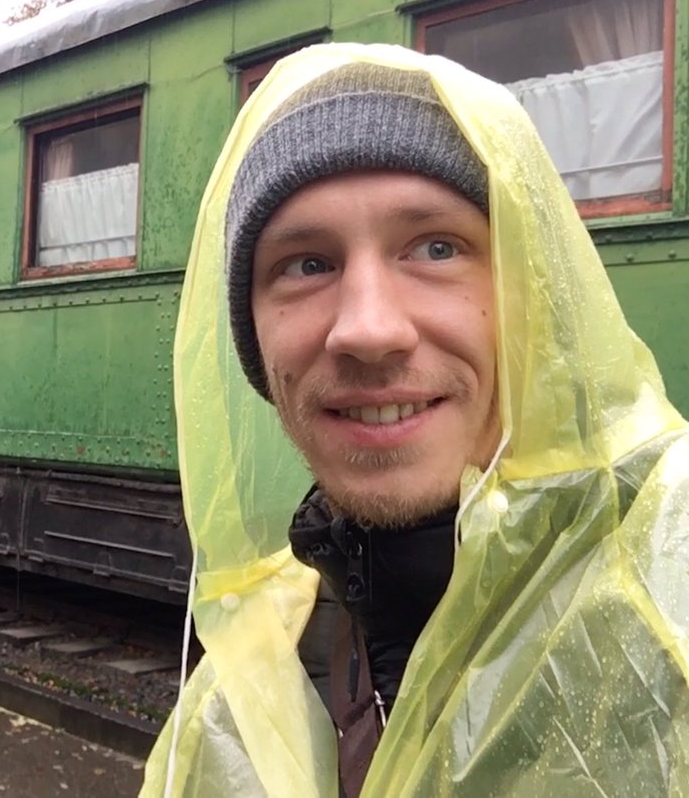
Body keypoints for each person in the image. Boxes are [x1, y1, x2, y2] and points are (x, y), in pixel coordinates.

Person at [141, 43, 689, 796]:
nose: (367, 329)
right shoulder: (245, 689)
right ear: (253, 339)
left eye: (437, 248)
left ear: (534, 292)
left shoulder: (673, 584)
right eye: (306, 264)